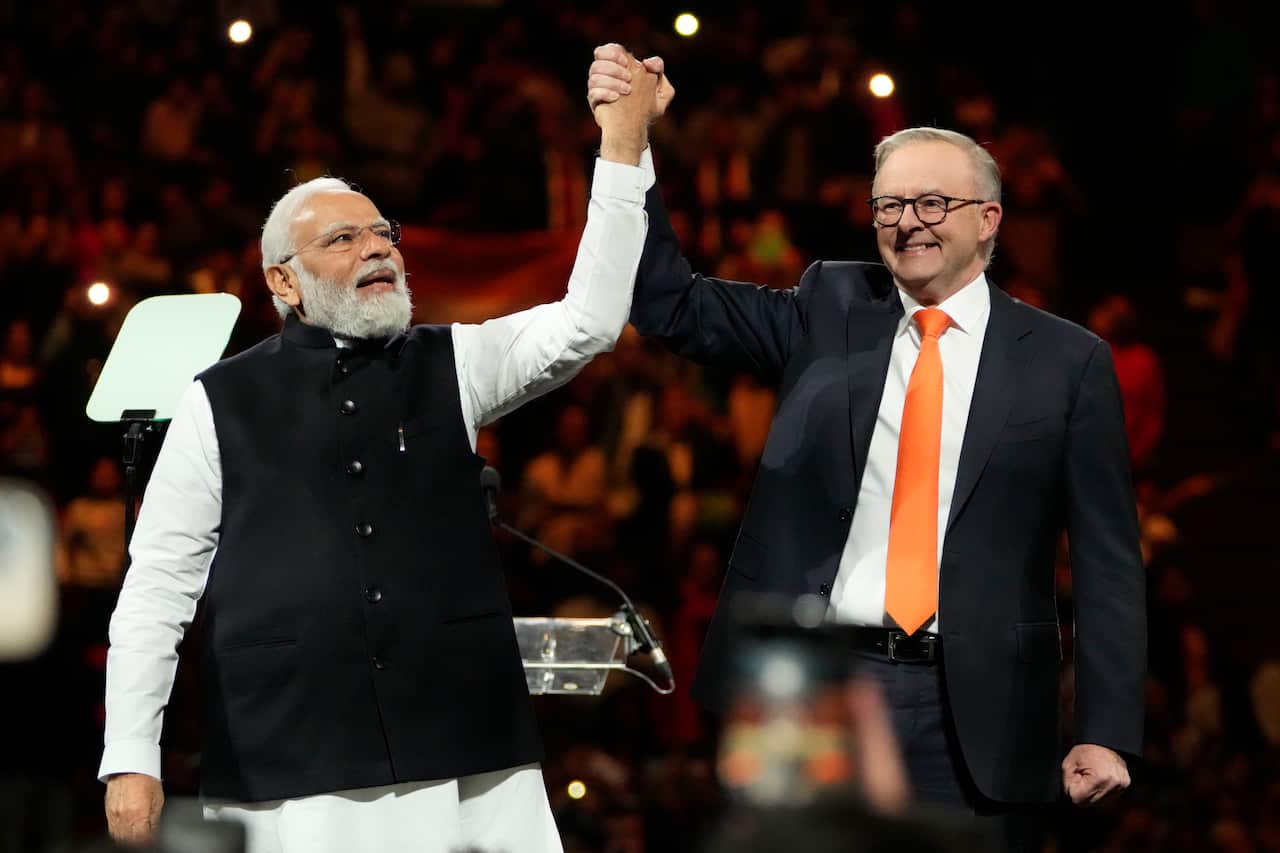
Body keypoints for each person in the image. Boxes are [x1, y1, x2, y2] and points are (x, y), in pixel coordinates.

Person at [100, 60, 668, 853]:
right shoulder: (219, 400)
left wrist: (622, 145)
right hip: (295, 758)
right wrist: (131, 751)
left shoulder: (456, 361)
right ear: (283, 281)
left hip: (472, 750)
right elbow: (159, 581)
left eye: (382, 232)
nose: (378, 248)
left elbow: (591, 319)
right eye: (343, 238)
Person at [588, 45, 1144, 851]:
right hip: (814, 689)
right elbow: (672, 304)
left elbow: (1108, 559)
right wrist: (627, 141)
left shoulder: (1068, 361)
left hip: (979, 707)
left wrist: (1106, 726)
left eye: (929, 202)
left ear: (989, 219)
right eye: (887, 205)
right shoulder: (829, 303)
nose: (905, 220)